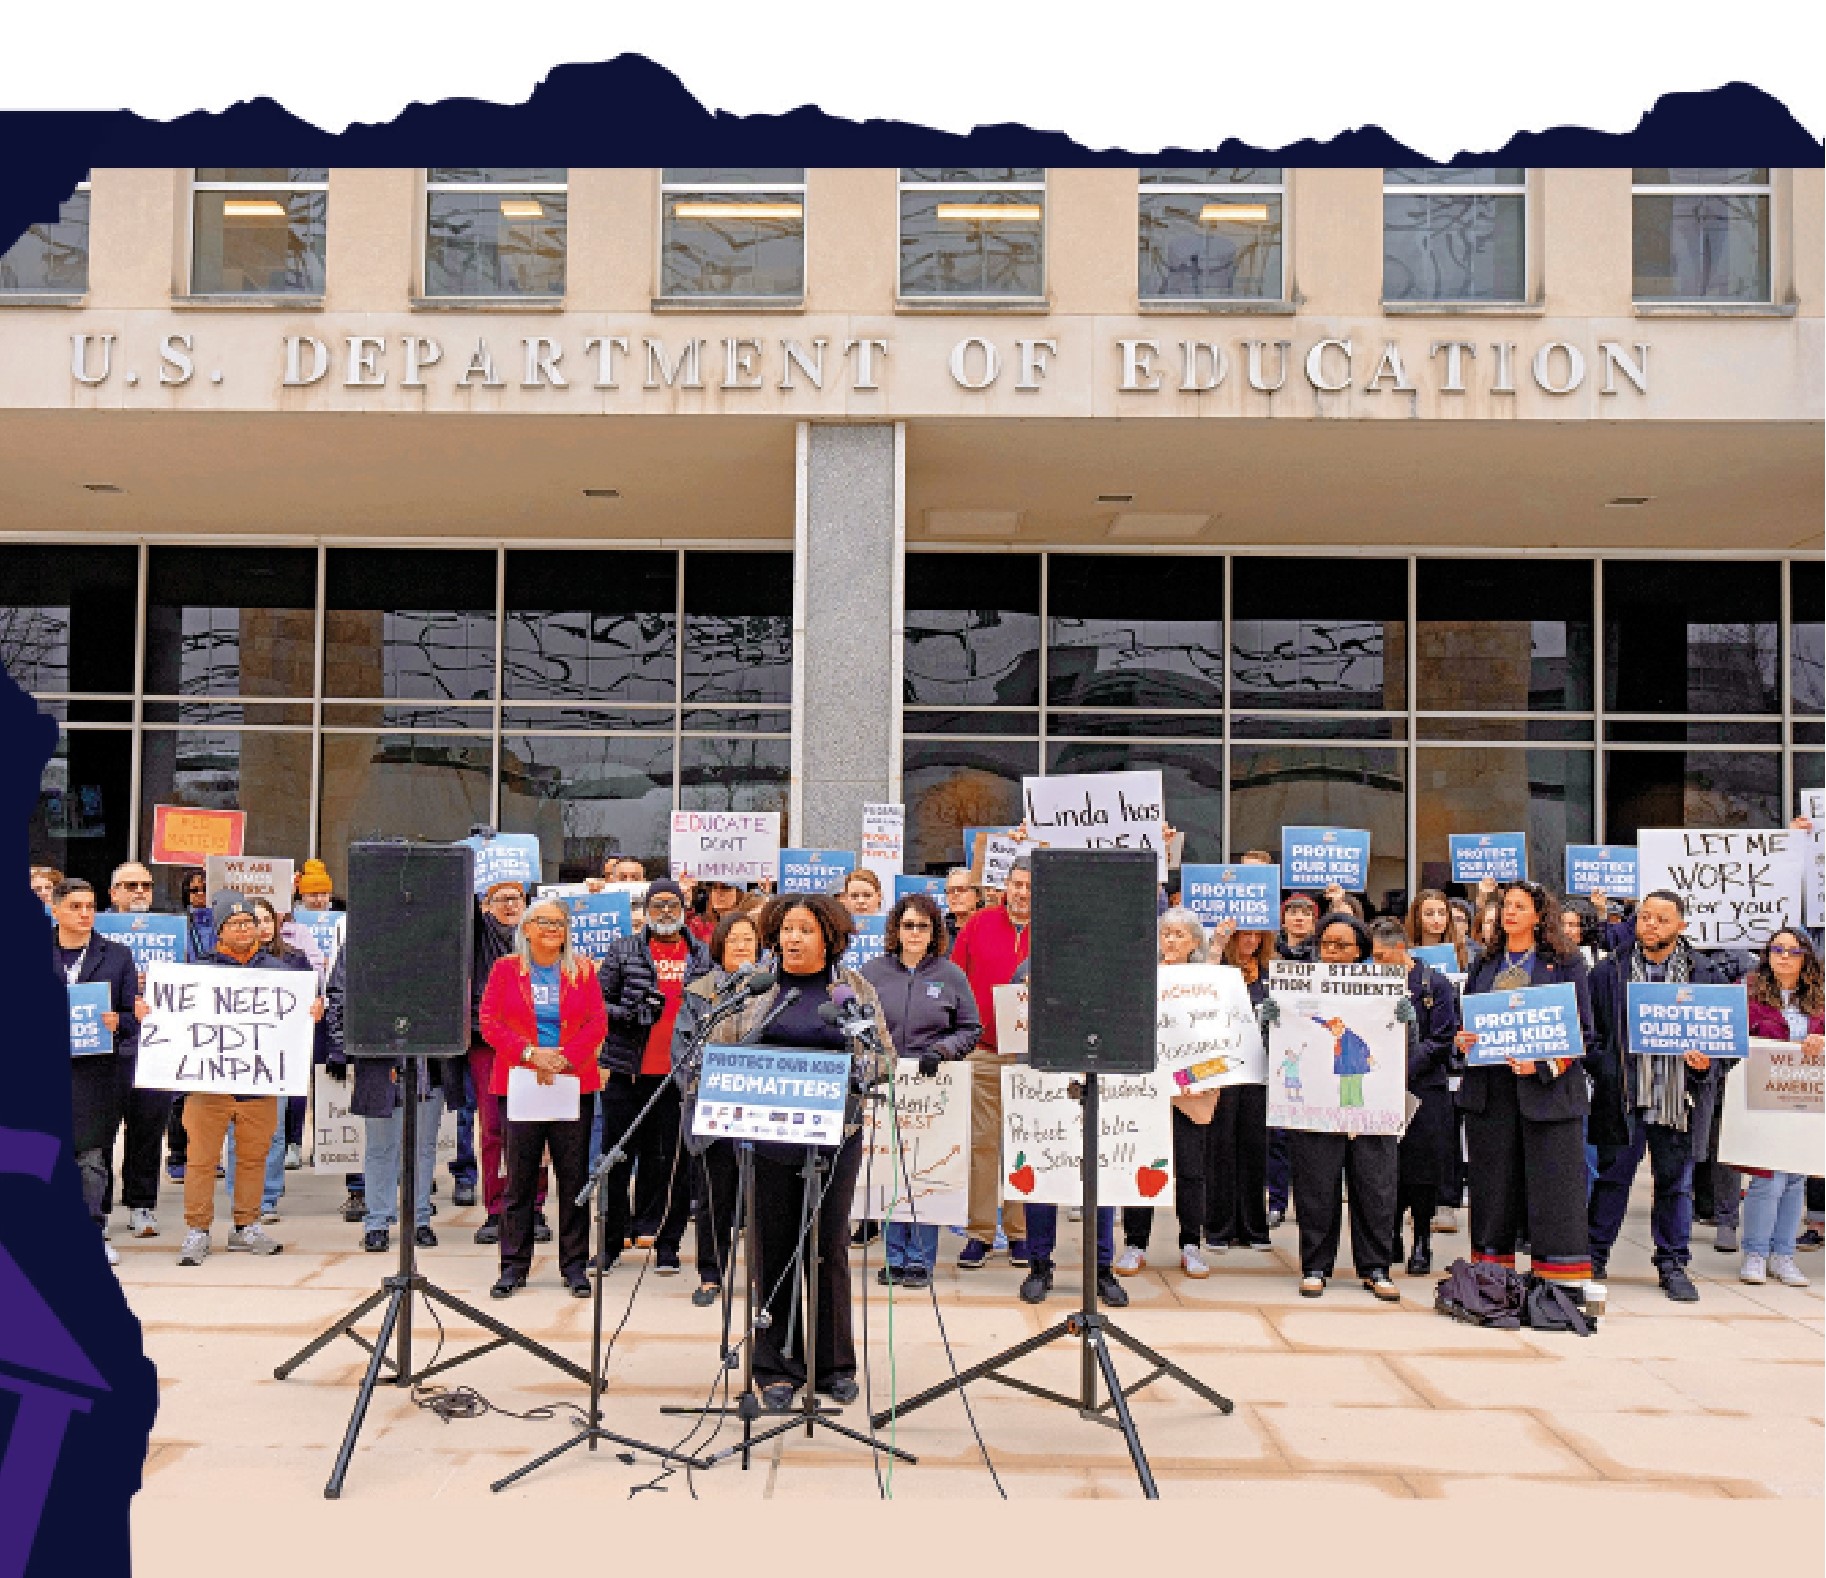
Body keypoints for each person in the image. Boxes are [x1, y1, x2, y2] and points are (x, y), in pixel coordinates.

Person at [705, 893, 895, 1409]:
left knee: (828, 1247)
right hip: (767, 1142)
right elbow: (716, 1049)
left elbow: (883, 1057)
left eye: (805, 930)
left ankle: (835, 1366)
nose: (793, 938)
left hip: (834, 1139)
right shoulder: (754, 988)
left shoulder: (853, 989)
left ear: (828, 937)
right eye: (787, 929)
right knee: (773, 1247)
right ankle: (775, 1370)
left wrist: (860, 1073)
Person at [1584, 889, 1729, 1300]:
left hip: (1677, 1099)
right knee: (1613, 1181)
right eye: (1645, 917)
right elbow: (1590, 1033)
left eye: (1661, 919)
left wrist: (1707, 1064)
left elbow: (1726, 1043)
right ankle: (1594, 1258)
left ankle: (1673, 1264)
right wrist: (1607, 1068)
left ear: (1681, 925)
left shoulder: (1705, 974)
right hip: (1626, 1097)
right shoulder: (1610, 971)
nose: (1650, 925)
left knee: (1675, 1186)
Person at [1454, 881, 1595, 1294]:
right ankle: (1491, 1280)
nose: (1509, 913)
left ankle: (1556, 1285)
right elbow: (1471, 1020)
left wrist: (1543, 1065)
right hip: (1491, 1092)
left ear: (1539, 915)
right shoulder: (1485, 963)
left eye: (1519, 906)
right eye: (1504, 906)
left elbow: (1583, 1031)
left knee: (1553, 1190)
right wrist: (1464, 1041)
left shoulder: (1566, 962)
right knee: (1493, 1189)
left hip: (1548, 1094)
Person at [1263, 913, 1410, 1299]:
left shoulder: (1385, 987)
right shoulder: (1299, 984)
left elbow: (1404, 1046)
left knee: (1375, 1187)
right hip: (1316, 1101)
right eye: (1327, 944)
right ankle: (1315, 1265)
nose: (1333, 952)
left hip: (1370, 1101)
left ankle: (1376, 1267)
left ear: (1360, 949)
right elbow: (1298, 1031)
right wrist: (1273, 1022)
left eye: (1342, 945)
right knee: (1316, 1187)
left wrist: (1406, 1020)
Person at [176, 893, 323, 1266]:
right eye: (235, 924)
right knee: (201, 1160)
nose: (245, 929)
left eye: (249, 923)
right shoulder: (198, 971)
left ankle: (246, 1225)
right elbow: (174, 1014)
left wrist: (312, 1010)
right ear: (220, 930)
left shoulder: (281, 972)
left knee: (253, 1158)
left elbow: (298, 1017)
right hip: (210, 1084)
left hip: (259, 1084)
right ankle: (197, 1230)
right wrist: (151, 1008)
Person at [479, 896, 608, 1298]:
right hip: (521, 1081)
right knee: (519, 1178)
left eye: (560, 923)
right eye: (545, 922)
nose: (553, 929)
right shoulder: (505, 970)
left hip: (572, 1082)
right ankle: (513, 1265)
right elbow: (489, 1021)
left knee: (573, 1178)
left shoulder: (583, 971)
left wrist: (564, 1058)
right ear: (528, 929)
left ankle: (574, 1266)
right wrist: (532, 1055)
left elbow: (597, 1021)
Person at [859, 891, 982, 1288]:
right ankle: (894, 1256)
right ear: (895, 928)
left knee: (927, 1171)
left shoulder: (950, 975)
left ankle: (920, 1259)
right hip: (887, 1084)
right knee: (890, 1168)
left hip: (933, 1087)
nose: (914, 933)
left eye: (923, 926)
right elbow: (855, 1022)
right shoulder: (873, 973)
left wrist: (942, 1050)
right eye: (908, 925)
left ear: (935, 932)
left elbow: (971, 1028)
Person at [596, 878, 712, 1273]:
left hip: (679, 1076)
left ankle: (667, 1243)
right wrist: (628, 1014)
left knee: (672, 1165)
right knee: (616, 1160)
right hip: (629, 1072)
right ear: (645, 910)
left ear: (683, 909)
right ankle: (611, 1244)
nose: (665, 911)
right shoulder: (623, 950)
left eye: (672, 904)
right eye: (657, 904)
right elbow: (598, 1003)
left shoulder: (701, 955)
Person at [1116, 908, 1225, 1280]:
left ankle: (1190, 1243)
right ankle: (1135, 1243)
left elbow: (1221, 1036)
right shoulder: (1143, 978)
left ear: (1195, 941)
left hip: (1192, 1089)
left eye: (1179, 934)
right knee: (1142, 1164)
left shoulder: (1208, 981)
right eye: (1166, 933)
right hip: (1147, 1088)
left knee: (1192, 1170)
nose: (1171, 940)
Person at [672, 909, 764, 1307]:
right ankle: (711, 1274)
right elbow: (683, 1051)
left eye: (748, 938)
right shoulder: (700, 991)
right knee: (714, 1198)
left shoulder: (773, 990)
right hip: (714, 1112)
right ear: (719, 946)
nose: (741, 946)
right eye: (734, 940)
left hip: (764, 1114)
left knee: (764, 1200)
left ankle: (764, 1277)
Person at [949, 856, 1033, 1270]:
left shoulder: (1055, 929)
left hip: (1034, 1057)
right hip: (984, 1049)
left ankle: (1019, 1233)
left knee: (1024, 1143)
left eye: (1030, 886)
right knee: (983, 1144)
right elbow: (955, 978)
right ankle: (980, 1232)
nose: (1022, 892)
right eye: (1017, 884)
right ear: (1005, 885)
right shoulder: (978, 924)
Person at [53, 878, 139, 1268]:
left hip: (95, 1073)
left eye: (90, 906)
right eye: (75, 906)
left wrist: (118, 1020)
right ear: (56, 910)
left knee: (91, 1159)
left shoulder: (117, 957)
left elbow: (132, 1019)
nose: (85, 913)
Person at [1370, 919, 1460, 1276]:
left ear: (1400, 950)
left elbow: (1442, 1038)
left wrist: (1403, 1068)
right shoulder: (1372, 983)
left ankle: (1422, 1239)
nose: (1376, 964)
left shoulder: (1433, 984)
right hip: (1379, 1085)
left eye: (1381, 956)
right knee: (1387, 1167)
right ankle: (1389, 1234)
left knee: (1423, 1170)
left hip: (1424, 1087)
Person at [1739, 928, 1822, 1288]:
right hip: (1765, 1096)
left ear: (1806, 958)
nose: (1783, 956)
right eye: (1777, 949)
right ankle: (1755, 1253)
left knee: (1795, 1180)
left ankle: (1783, 1254)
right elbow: (1737, 1036)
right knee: (1767, 1179)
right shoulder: (1750, 993)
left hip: (1805, 1099)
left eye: (1792, 951)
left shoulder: (1819, 1000)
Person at [468, 881, 542, 1246]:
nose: (512, 905)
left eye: (518, 898)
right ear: (486, 906)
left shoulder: (541, 938)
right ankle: (497, 1209)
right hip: (489, 1044)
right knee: (493, 1128)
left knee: (537, 1124)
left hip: (537, 1044)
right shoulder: (477, 937)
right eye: (503, 899)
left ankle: (535, 1207)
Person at [1210, 924, 1275, 1254]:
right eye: (1245, 935)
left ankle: (1253, 1226)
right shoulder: (1219, 971)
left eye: (1257, 935)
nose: (1251, 941)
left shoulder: (1269, 973)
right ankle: (1219, 1226)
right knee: (1220, 1146)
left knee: (1253, 1146)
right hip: (1222, 1070)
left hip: (1258, 1071)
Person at [1404, 888, 1466, 970]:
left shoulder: (1462, 951)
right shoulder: (1404, 952)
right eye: (1429, 914)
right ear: (1417, 918)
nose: (1436, 920)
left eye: (1442, 913)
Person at [943, 867, 981, 941]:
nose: (955, 894)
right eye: (950, 890)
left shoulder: (989, 929)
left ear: (977, 895)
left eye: (961, 889)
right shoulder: (939, 932)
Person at [1277, 893, 1318, 961]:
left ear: (1313, 923)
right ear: (1283, 921)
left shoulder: (1322, 952)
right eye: (1293, 913)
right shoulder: (1270, 950)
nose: (1299, 918)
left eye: (1306, 914)